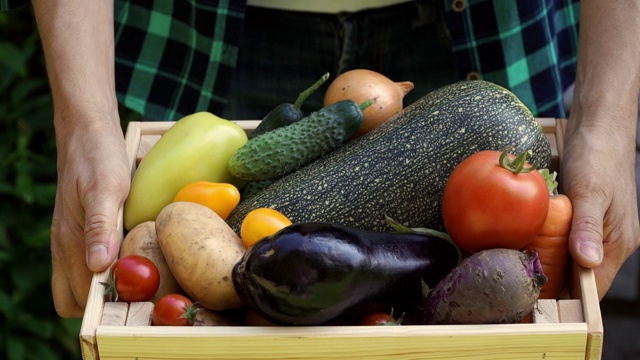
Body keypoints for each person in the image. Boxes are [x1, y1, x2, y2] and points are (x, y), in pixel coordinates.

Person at [2, 0, 638, 318]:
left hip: (482, 35)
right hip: (206, 42)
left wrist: (609, 125)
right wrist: (83, 121)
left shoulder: (496, 129)